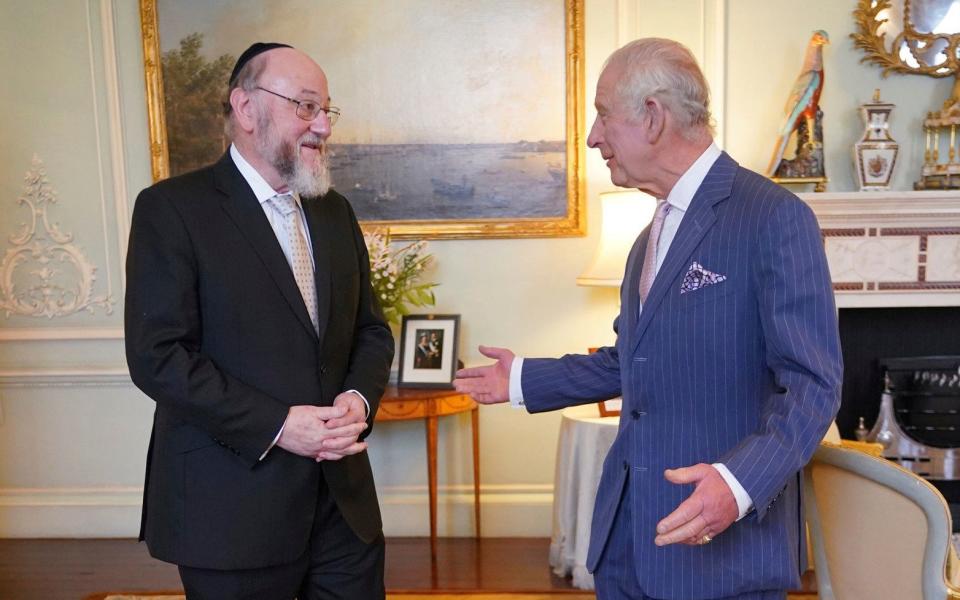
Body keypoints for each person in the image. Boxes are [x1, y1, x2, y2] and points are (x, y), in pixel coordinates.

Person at [454, 38, 841, 600]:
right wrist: (520, 379)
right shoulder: (647, 239)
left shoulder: (775, 217)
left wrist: (737, 485)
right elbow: (631, 361)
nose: (593, 136)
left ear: (654, 117)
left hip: (718, 554)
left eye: (603, 114)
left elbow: (813, 384)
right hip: (627, 544)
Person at [125, 42, 394, 599]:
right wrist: (278, 424)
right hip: (231, 510)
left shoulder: (333, 209)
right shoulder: (172, 210)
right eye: (305, 106)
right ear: (246, 109)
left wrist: (357, 400)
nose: (322, 125)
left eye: (326, 110)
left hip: (344, 511)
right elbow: (159, 358)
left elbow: (369, 330)